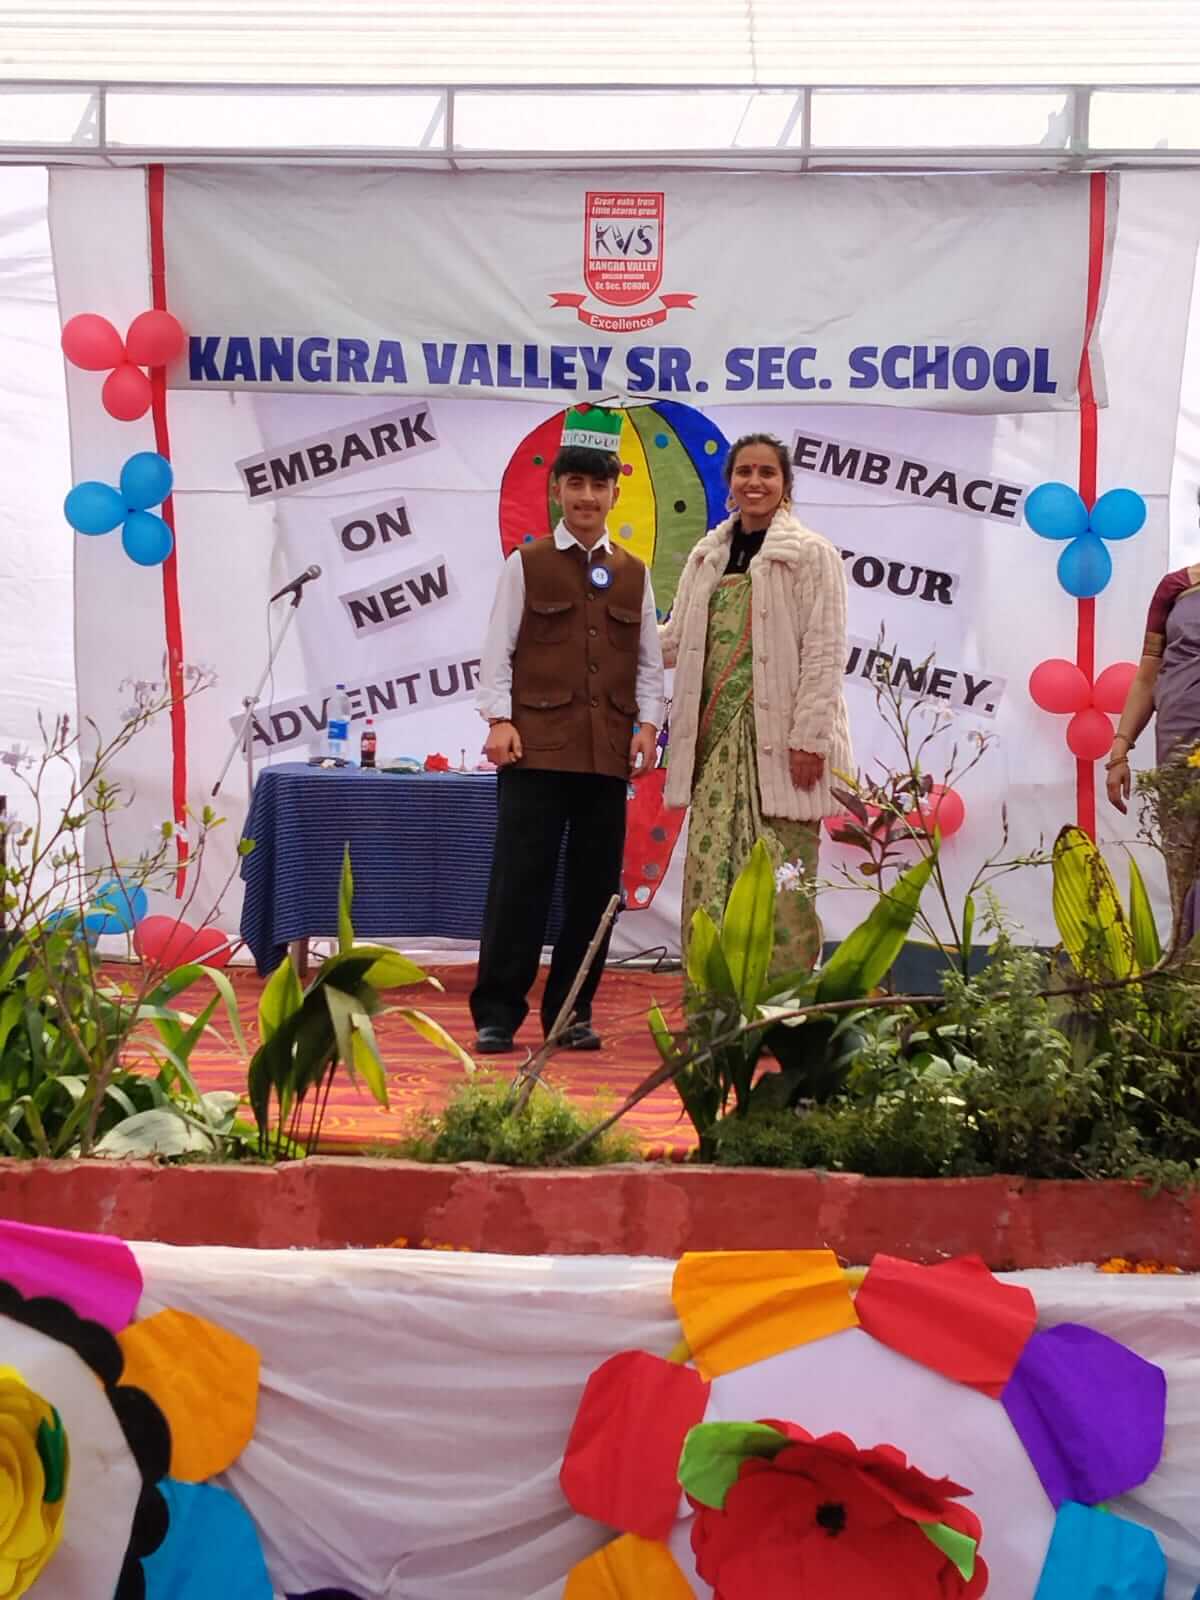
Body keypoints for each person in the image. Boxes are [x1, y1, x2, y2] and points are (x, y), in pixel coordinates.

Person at [471, 408, 665, 1053]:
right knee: (518, 886)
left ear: (614, 493)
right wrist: (499, 719)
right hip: (534, 751)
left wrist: (648, 726)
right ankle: (497, 1013)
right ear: (557, 490)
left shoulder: (635, 573)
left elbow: (648, 662)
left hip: (606, 756)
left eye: (597, 485)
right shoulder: (526, 564)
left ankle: (571, 1011)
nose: (586, 496)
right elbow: (497, 651)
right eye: (575, 484)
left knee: (593, 895)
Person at [659, 432, 853, 976]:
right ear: (730, 483)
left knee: (784, 881)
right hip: (716, 744)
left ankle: (782, 1006)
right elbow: (674, 641)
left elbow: (825, 651)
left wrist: (809, 739)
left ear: (785, 485)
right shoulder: (708, 555)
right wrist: (607, 620)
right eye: (744, 471)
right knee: (711, 870)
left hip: (785, 745)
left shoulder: (811, 554)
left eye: (767, 472)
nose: (755, 482)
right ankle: (715, 1000)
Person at [1106, 563, 1200, 930]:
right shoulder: (1175, 587)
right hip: (1180, 742)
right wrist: (1120, 751)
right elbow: (1147, 677)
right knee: (1185, 855)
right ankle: (1186, 957)